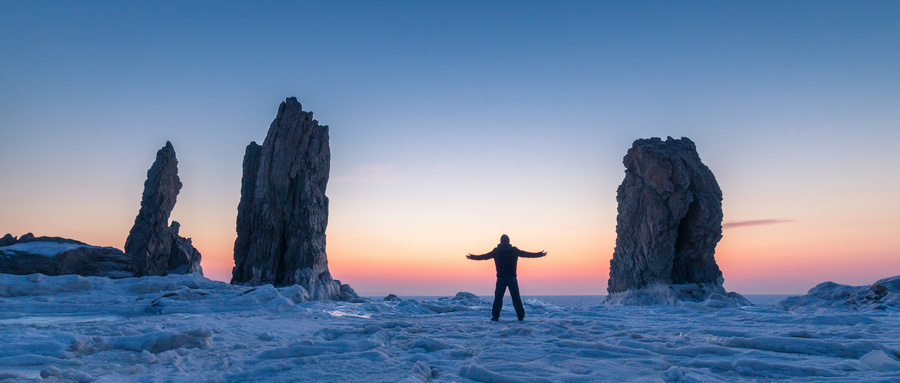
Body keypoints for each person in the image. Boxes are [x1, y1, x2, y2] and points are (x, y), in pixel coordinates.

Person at [466, 234, 547, 321]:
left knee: (498, 298)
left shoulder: (496, 251)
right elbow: (527, 254)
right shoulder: (514, 251)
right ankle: (520, 316)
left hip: (501, 278)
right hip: (512, 278)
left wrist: (472, 257)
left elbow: (484, 256)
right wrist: (540, 254)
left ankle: (495, 316)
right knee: (516, 298)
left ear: (501, 241)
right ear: (508, 241)